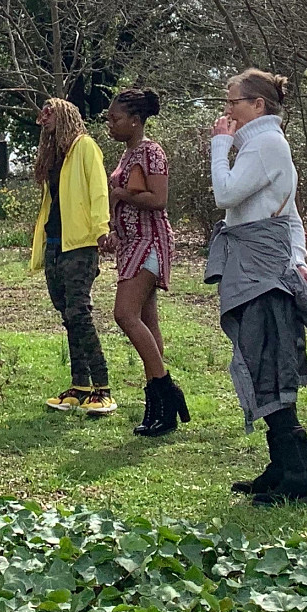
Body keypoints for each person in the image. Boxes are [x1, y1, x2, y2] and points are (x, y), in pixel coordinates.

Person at [206, 69, 307, 506]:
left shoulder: (266, 143)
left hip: (261, 270)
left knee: (269, 357)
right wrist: (297, 259)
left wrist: (219, 145)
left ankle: (303, 476)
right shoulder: (262, 145)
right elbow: (289, 213)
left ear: (258, 105)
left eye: (233, 101)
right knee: (262, 359)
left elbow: (226, 195)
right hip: (260, 263)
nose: (227, 111)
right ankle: (281, 467)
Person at [105, 87, 190, 437]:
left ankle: (164, 391)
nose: (109, 124)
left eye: (116, 119)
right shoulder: (128, 154)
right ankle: (159, 405)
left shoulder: (151, 152)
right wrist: (111, 229)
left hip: (150, 242)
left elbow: (158, 199)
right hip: (129, 242)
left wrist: (123, 194)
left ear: (136, 121)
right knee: (147, 322)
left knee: (124, 313)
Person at [30, 97, 115, 415]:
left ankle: (102, 388)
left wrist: (101, 228)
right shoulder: (55, 155)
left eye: (49, 114)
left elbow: (98, 190)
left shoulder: (85, 147)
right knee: (67, 314)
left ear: (64, 115)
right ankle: (79, 387)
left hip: (81, 243)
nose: (44, 120)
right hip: (55, 243)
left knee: (79, 312)